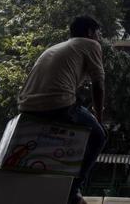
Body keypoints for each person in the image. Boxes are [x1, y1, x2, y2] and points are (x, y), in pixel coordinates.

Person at [18, 16, 106, 204]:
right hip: (58, 104)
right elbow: (98, 84)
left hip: (26, 107)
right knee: (98, 136)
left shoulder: (55, 48)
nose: (99, 37)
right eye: (98, 33)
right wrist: (99, 117)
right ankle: (72, 191)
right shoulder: (91, 45)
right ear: (90, 32)